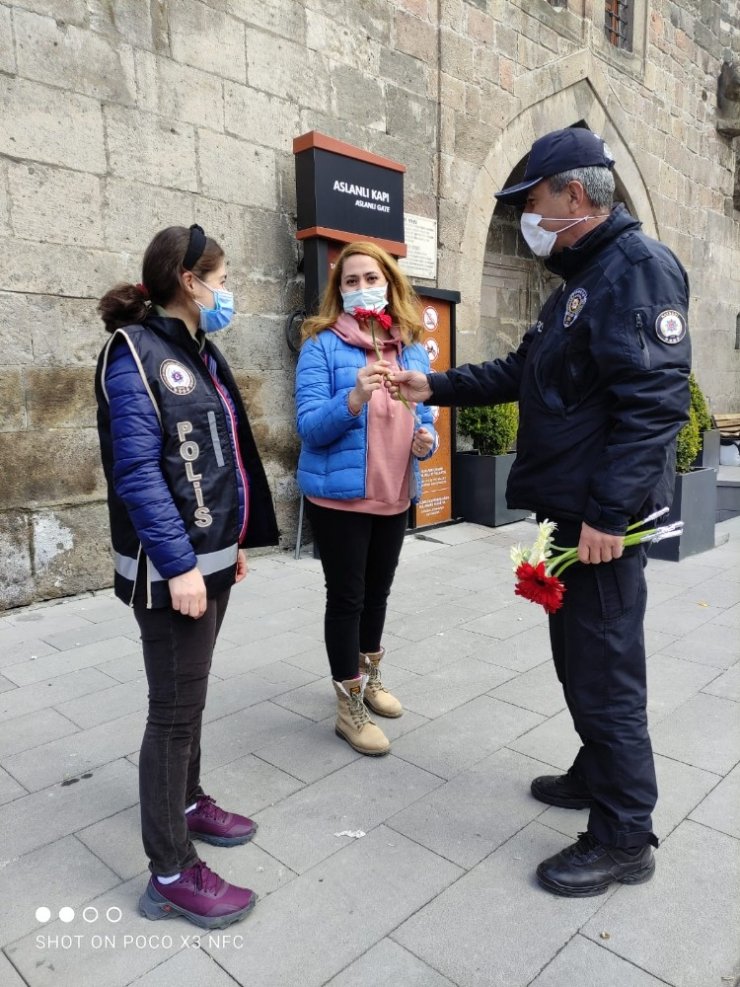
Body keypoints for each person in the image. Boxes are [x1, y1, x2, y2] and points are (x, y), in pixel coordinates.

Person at [389, 127, 691, 896]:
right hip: (572, 515)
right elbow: (522, 371)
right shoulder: (582, 281)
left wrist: (607, 513)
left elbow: (655, 402)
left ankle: (626, 834)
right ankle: (599, 770)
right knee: (579, 659)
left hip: (601, 521)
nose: (528, 214)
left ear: (576, 196)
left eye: (534, 199)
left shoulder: (638, 269)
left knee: (605, 672)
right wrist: (436, 387)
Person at [95, 224, 279, 929]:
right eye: (221, 276)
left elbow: (218, 456)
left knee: (190, 697)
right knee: (172, 712)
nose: (228, 289)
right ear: (189, 280)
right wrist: (179, 564)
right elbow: (138, 472)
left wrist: (228, 543)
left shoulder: (196, 349)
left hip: (206, 559)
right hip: (169, 570)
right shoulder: (135, 355)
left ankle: (188, 798)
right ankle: (170, 871)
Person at [295, 242, 437, 756]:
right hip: (341, 499)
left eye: (369, 277)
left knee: (378, 594)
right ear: (338, 291)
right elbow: (309, 427)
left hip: (394, 492)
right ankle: (348, 706)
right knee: (348, 598)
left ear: (390, 283)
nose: (360, 288)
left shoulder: (410, 347)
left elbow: (424, 420)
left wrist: (427, 442)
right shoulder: (322, 345)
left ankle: (370, 679)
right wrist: (352, 396)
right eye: (349, 281)